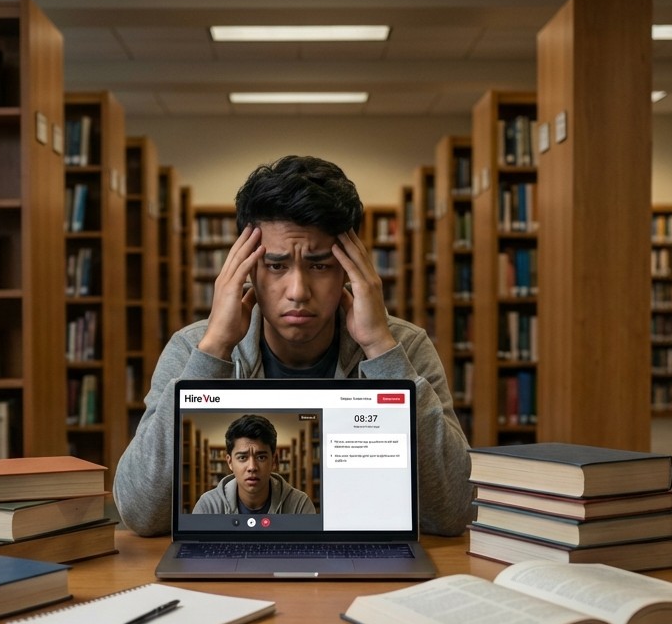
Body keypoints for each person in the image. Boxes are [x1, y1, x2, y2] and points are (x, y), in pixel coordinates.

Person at [114, 154, 471, 536]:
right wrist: (214, 350)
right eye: (276, 265)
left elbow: (454, 511)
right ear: (245, 269)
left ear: (354, 271)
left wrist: (381, 349)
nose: (298, 292)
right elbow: (140, 512)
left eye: (319, 265)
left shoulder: (403, 347)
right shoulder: (193, 349)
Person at [192, 414, 316, 515]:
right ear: (230, 462)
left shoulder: (300, 505)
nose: (252, 467)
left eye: (261, 457)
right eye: (242, 457)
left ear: (274, 461)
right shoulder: (207, 506)